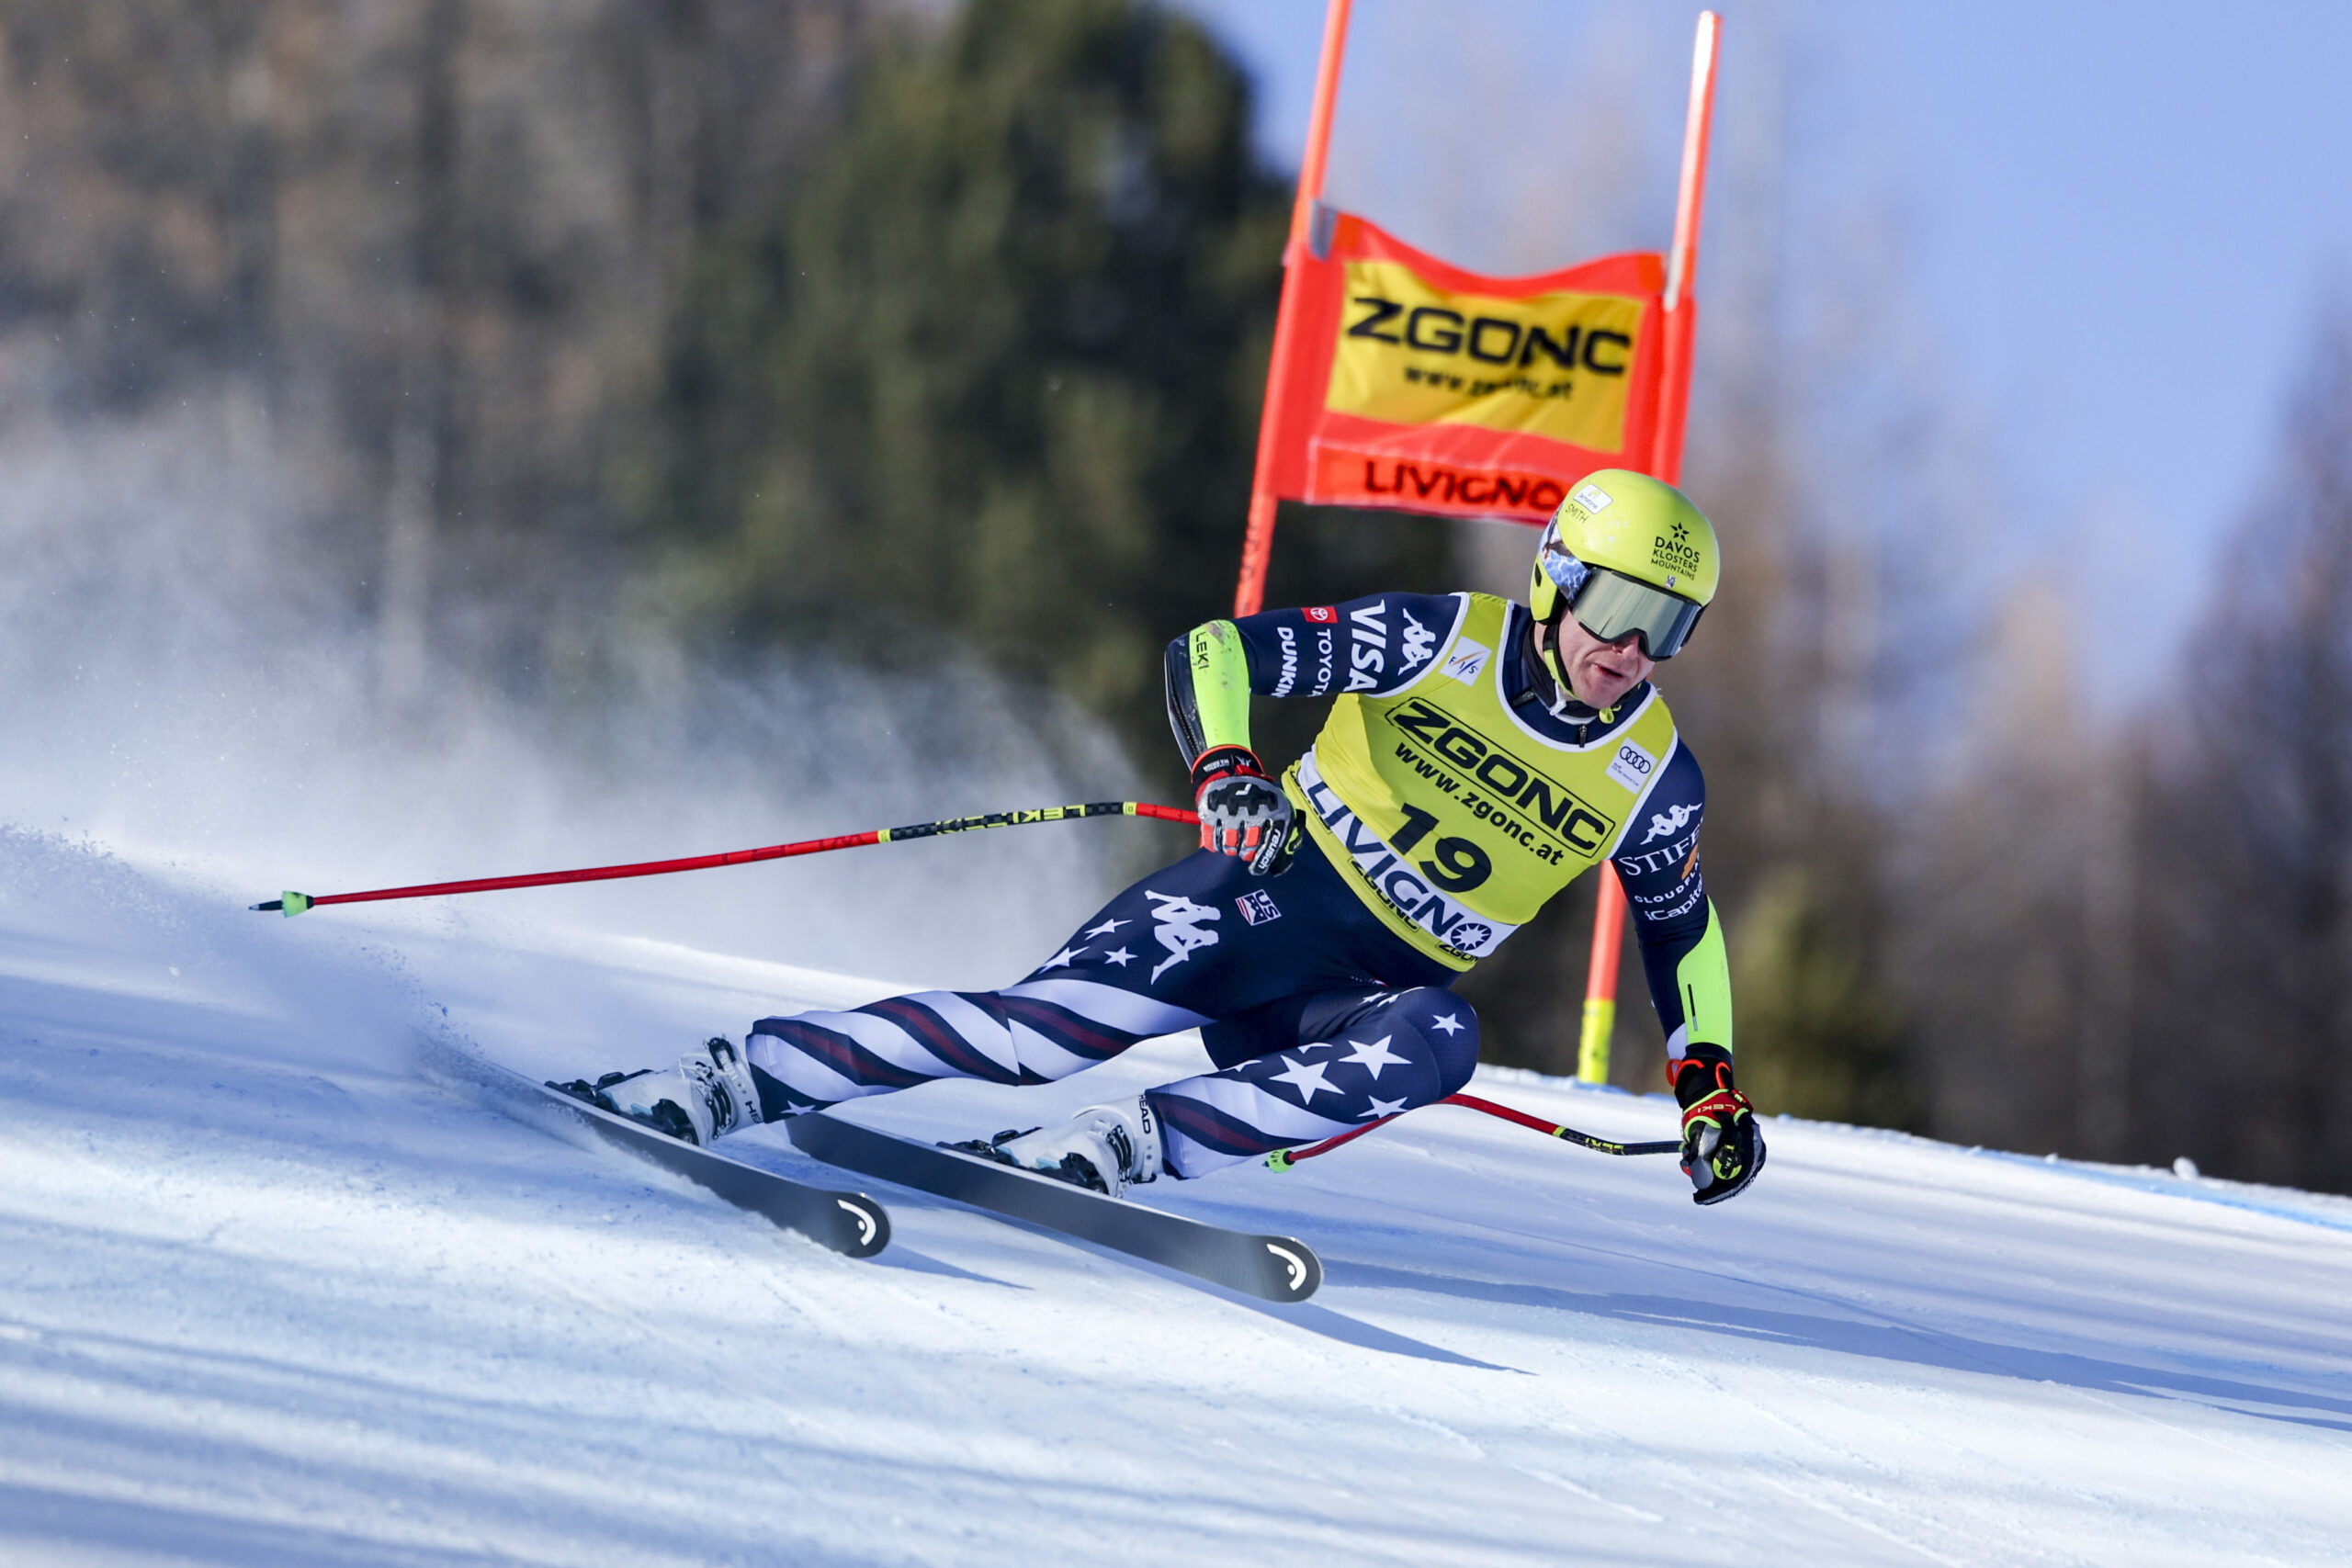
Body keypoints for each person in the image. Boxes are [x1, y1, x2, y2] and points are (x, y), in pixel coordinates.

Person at [556, 469, 1762, 1205]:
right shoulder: (1442, 639)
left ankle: (1124, 1148)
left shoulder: (1652, 775)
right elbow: (1218, 651)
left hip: (1344, 1006)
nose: (1631, 648)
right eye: (1615, 606)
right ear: (1557, 579)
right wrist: (1228, 765)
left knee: (1441, 1037)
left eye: (1669, 626)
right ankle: (722, 1080)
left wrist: (1705, 1077)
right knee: (1041, 1038)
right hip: (1254, 910)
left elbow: (1681, 926)